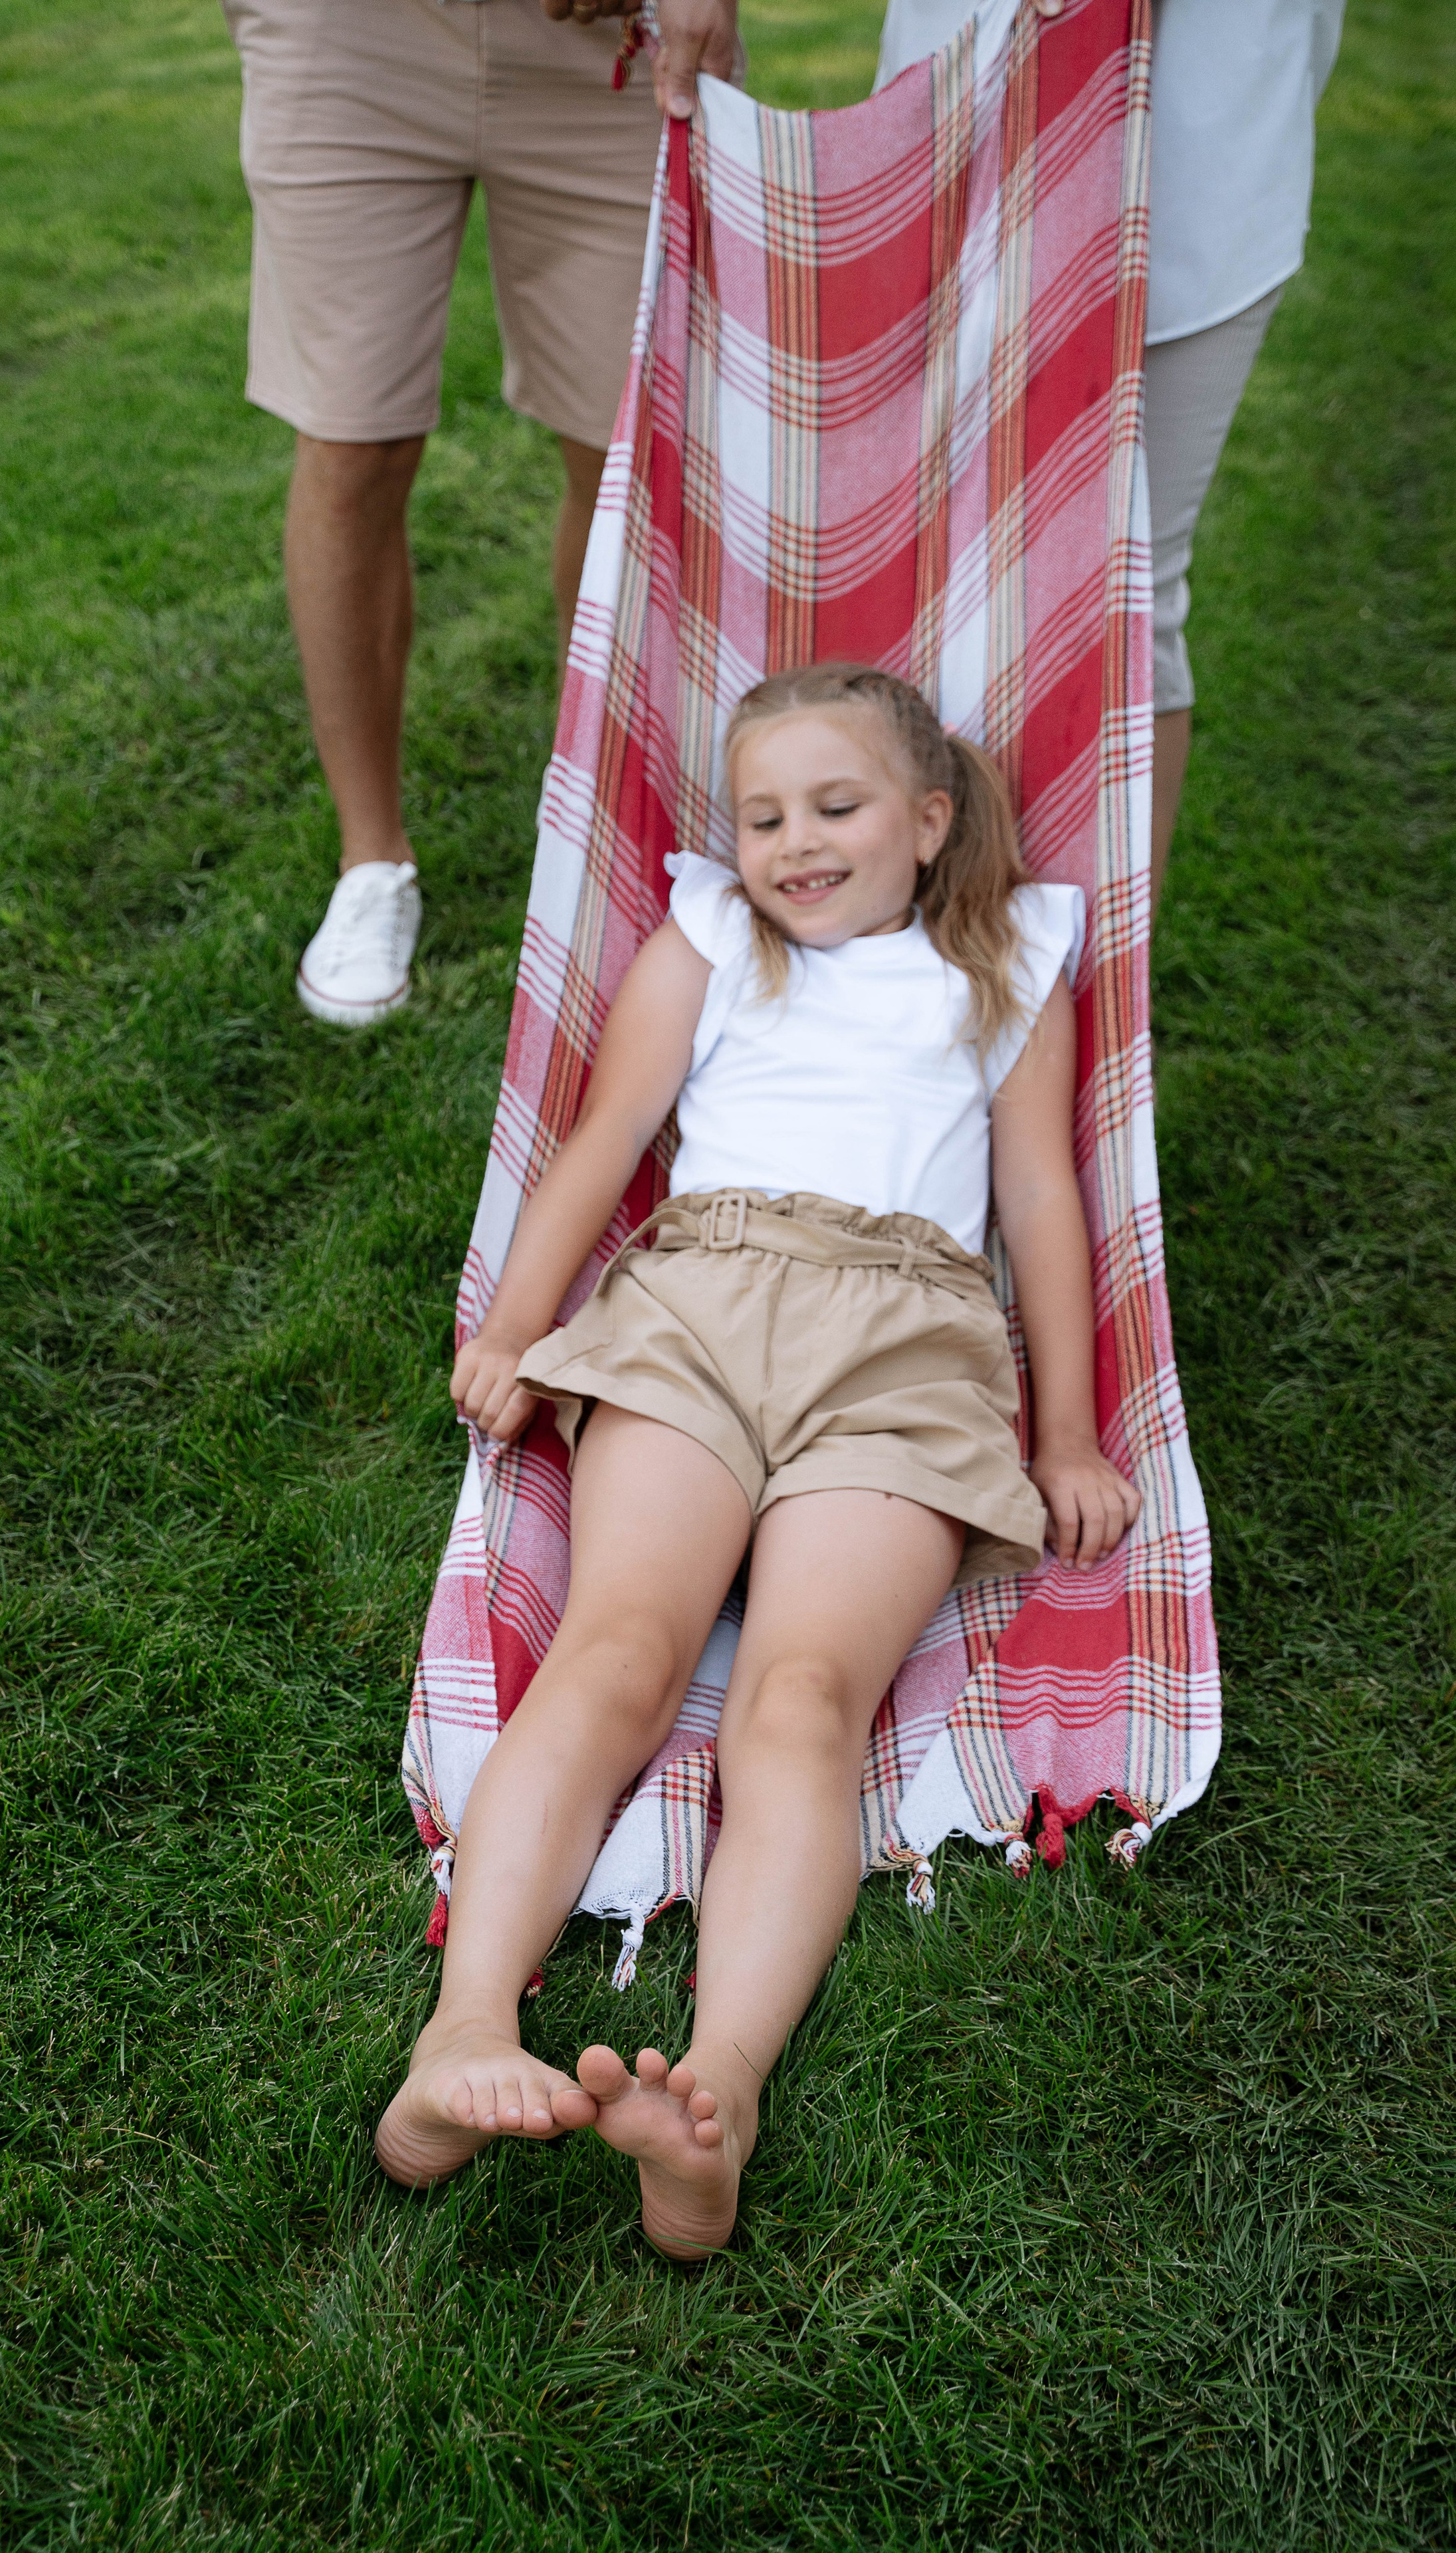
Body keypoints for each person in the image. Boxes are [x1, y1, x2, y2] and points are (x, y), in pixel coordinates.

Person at [375, 663, 1140, 2257]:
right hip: (698, 1300)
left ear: (929, 823)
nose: (793, 843)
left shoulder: (1006, 959)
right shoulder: (716, 936)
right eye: (764, 813)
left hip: (910, 1345)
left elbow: (1045, 1202)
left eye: (837, 807)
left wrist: (1061, 1428)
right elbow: (602, 1135)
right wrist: (516, 1325)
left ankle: (711, 2092)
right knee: (618, 1650)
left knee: (801, 1702)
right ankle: (458, 2034)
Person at [219, 0, 741, 1027]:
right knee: (353, 439)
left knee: (631, 448)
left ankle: (614, 835)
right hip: (349, 38)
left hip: (611, 40)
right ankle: (372, 862)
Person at [879, 0, 1346, 908]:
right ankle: (923, 961)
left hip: (1200, 150)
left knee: (1127, 592)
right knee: (934, 573)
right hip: (962, 107)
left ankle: (1103, 995)